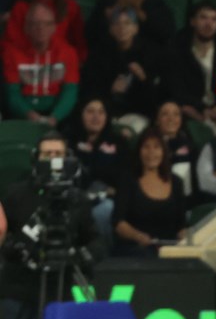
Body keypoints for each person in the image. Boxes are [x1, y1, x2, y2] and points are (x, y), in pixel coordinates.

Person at [0, 130, 105, 319]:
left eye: (58, 154)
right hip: (18, 287)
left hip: (60, 286)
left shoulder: (78, 199)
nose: (53, 161)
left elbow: (95, 241)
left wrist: (81, 255)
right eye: (48, 155)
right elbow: (3, 236)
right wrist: (14, 248)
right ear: (36, 159)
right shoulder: (16, 195)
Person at [61, 96, 129, 250]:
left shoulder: (118, 142)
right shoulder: (68, 141)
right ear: (81, 114)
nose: (96, 117)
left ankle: (103, 258)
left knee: (106, 209)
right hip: (74, 200)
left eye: (101, 112)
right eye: (90, 111)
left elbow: (125, 179)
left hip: (107, 202)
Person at [160, 0, 216, 130]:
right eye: (203, 18)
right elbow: (175, 88)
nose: (209, 24)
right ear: (192, 21)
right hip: (188, 108)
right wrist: (200, 108)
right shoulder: (177, 49)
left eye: (214, 19)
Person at [81, 6, 162, 129]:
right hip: (107, 112)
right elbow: (89, 89)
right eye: (117, 23)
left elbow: (155, 98)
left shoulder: (149, 54)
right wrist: (110, 89)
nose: (122, 28)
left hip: (138, 113)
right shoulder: (99, 54)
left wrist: (143, 78)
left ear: (135, 29)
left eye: (127, 23)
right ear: (111, 29)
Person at [112, 125, 188, 257]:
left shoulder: (176, 182)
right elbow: (118, 222)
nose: (151, 152)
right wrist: (138, 236)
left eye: (156, 147)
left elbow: (181, 225)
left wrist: (184, 237)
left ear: (164, 151)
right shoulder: (128, 180)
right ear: (139, 151)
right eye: (146, 147)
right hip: (135, 249)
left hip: (168, 250)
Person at [2, 2, 79, 126]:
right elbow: (12, 94)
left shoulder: (68, 53)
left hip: (58, 115)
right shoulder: (12, 53)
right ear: (26, 27)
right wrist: (27, 113)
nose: (40, 28)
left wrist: (55, 117)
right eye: (35, 23)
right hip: (22, 115)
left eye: (47, 23)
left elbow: (70, 92)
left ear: (54, 27)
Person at [153, 100, 198, 200]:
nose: (171, 119)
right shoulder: (149, 146)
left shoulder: (189, 145)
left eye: (176, 114)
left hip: (186, 201)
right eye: (165, 114)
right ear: (157, 120)